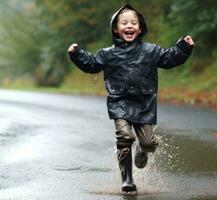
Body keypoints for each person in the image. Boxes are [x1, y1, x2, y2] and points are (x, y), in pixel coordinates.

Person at [68, 4, 194, 194]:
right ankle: (127, 179)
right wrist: (77, 54)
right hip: (119, 102)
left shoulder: (151, 51)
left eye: (133, 23)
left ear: (140, 28)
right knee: (125, 137)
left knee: (149, 143)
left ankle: (143, 149)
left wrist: (183, 47)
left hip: (145, 103)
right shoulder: (107, 54)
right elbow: (92, 64)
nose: (129, 26)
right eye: (124, 23)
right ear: (116, 29)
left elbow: (169, 59)